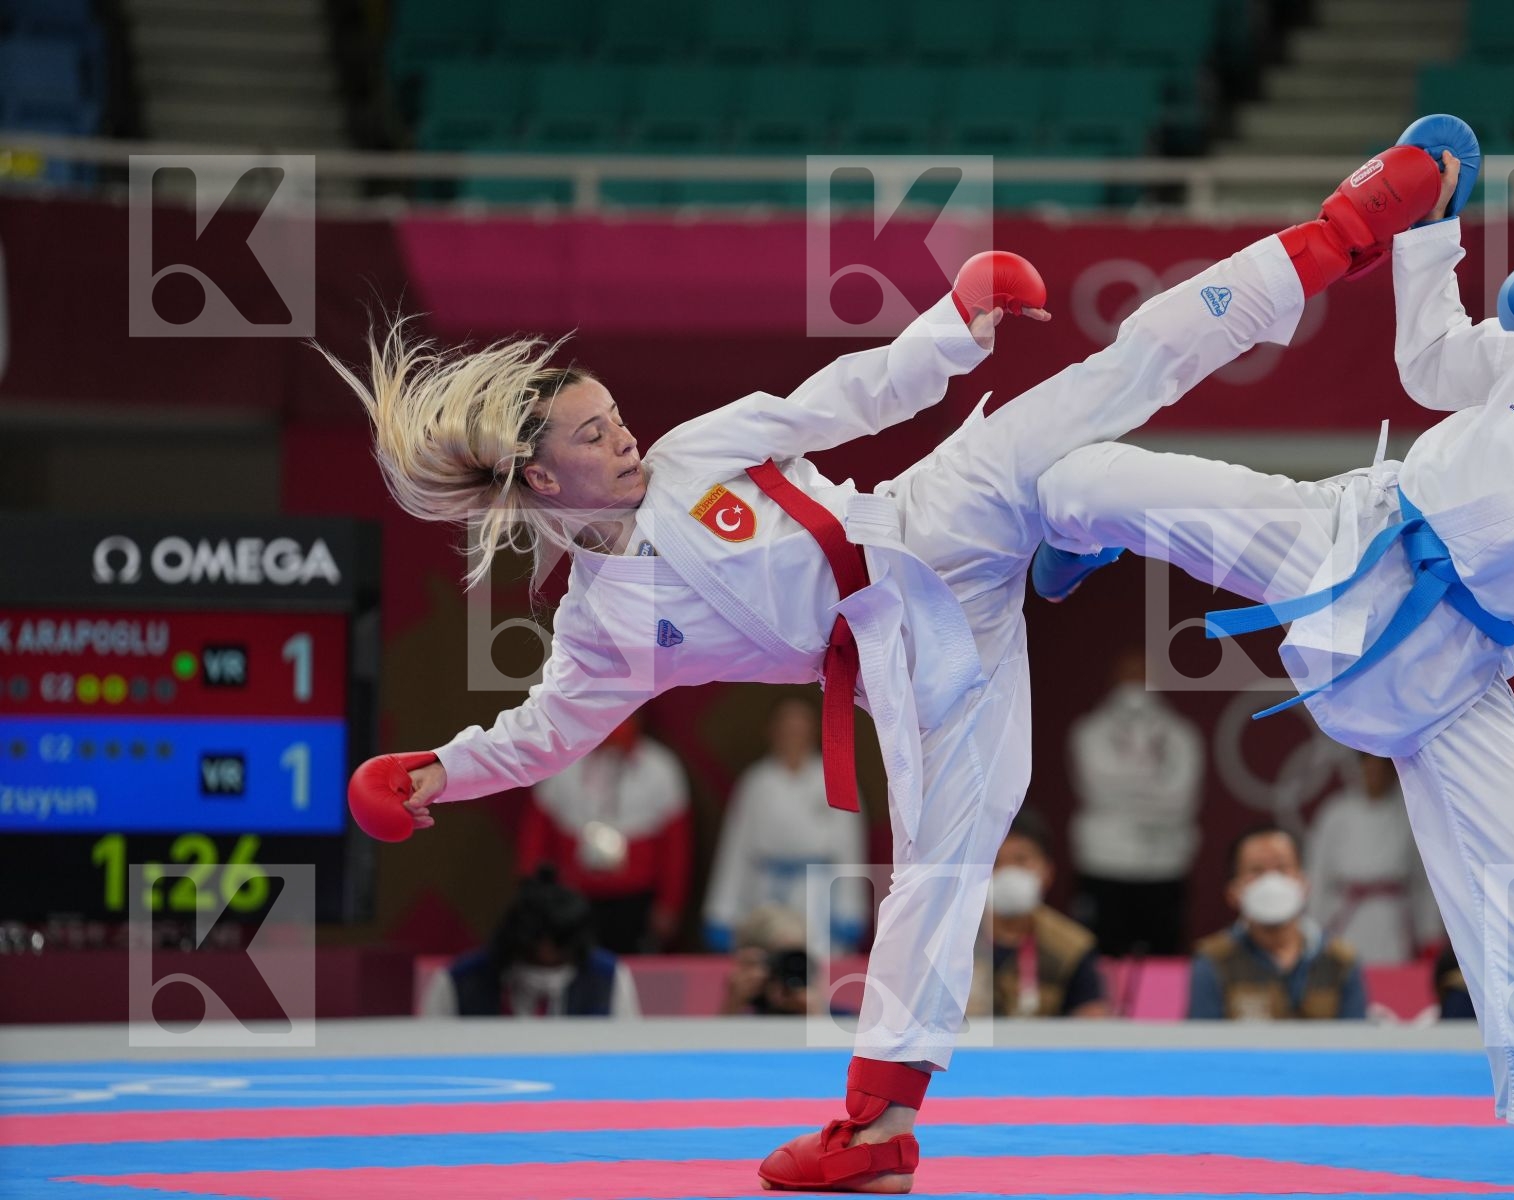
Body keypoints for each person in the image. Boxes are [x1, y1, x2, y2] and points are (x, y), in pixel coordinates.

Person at [335, 130, 1445, 1193]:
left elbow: (843, 399)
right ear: (539, 483)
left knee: (1114, 386)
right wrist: (436, 768)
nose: (624, 437)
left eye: (613, 416)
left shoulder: (691, 455)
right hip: (909, 661)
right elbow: (544, 735)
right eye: (593, 436)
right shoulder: (600, 628)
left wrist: (955, 326)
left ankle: (1341, 231)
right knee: (939, 867)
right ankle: (878, 1128)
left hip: (925, 518)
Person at [1030, 115, 1514, 1199]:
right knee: (1093, 479)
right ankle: (1071, 537)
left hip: (1460, 667)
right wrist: (1437, 230)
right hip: (1356, 536)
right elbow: (1433, 366)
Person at [703, 694, 868, 954]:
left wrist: (850, 908)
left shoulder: (835, 778)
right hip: (767, 893)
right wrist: (723, 911)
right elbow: (736, 849)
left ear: (814, 731)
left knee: (818, 972)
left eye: (800, 728)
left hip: (818, 896)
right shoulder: (756, 782)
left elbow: (850, 850)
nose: (793, 735)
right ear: (772, 731)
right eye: (787, 728)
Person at [1067, 648, 1204, 956]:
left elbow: (1178, 799)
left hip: (1165, 866)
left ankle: (1158, 1007)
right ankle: (1100, 1006)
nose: (1135, 684)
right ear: (1113, 681)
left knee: (1162, 963)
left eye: (1142, 676)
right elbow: (1098, 790)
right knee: (1099, 960)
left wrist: (1124, 789)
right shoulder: (1089, 732)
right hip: (1103, 864)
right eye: (1129, 676)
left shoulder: (1182, 735)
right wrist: (1152, 785)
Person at [518, 714, 691, 953]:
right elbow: (535, 839)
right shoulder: (560, 762)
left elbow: (676, 848)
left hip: (635, 901)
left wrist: (670, 904)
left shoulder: (661, 768)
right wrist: (534, 899)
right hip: (571, 897)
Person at [1187, 824, 1367, 1020]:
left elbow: (1358, 1044)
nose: (1271, 881)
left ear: (1303, 883)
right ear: (1233, 892)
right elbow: (1202, 1044)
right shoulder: (1214, 961)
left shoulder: (1340, 959)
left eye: (1282, 869)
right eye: (1256, 871)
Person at [420, 866, 641, 1018]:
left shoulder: (609, 978)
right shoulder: (459, 982)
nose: (547, 955)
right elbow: (429, 1057)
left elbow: (628, 1058)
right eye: (535, 955)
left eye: (558, 953)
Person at [1304, 752, 1440, 965]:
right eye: (1369, 767)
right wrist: (1313, 927)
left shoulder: (1409, 813)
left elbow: (1424, 880)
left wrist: (1429, 933)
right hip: (1345, 914)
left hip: (1393, 916)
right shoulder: (1335, 813)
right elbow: (1318, 874)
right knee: (1346, 972)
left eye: (1381, 768)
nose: (1374, 774)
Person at [985, 808, 1109, 1018]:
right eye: (995, 862)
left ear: (1048, 871)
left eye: (1021, 860)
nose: (1007, 872)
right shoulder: (948, 940)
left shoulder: (1072, 947)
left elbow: (1092, 1026)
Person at [720, 904, 816, 1017]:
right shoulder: (744, 1013)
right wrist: (732, 1006)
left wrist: (815, 1015)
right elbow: (720, 1034)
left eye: (795, 959)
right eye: (776, 960)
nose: (786, 967)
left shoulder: (838, 1018)